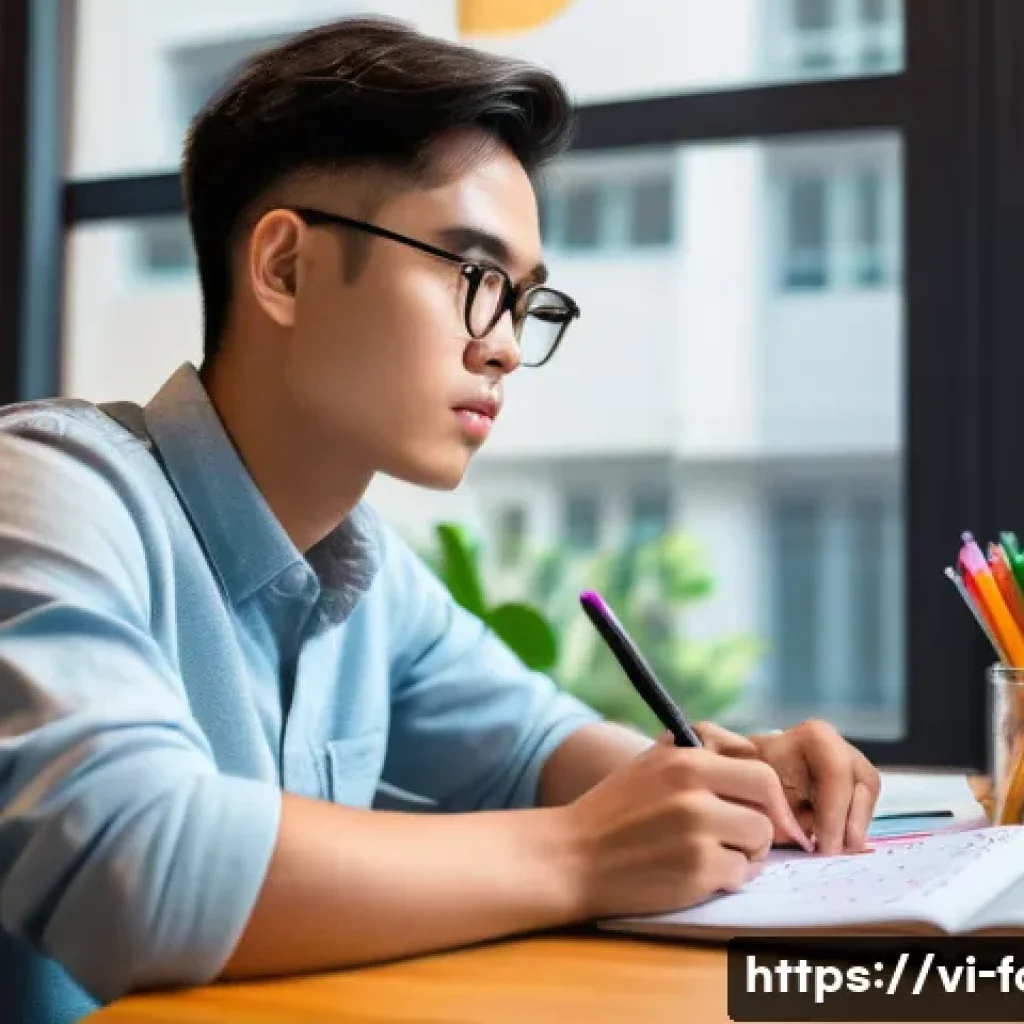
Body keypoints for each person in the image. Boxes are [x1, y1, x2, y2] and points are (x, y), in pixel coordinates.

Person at [0, 16, 880, 1024]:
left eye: (524, 302)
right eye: (473, 276)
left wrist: (736, 788)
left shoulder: (360, 570)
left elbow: (536, 750)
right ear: (284, 266)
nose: (504, 346)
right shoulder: (45, 489)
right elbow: (131, 866)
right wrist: (587, 851)